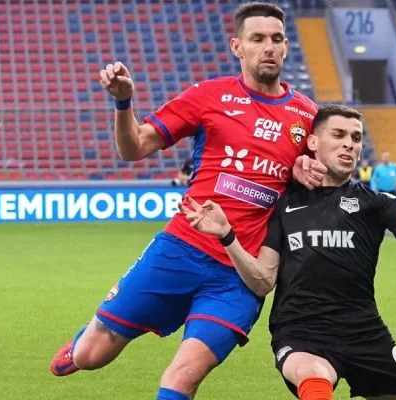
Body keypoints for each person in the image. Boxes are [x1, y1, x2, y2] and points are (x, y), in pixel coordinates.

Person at [49, 4, 327, 399]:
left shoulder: (308, 116)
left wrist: (307, 175)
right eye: (257, 38)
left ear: (285, 47)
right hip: (180, 250)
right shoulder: (209, 95)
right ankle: (82, 346)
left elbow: (324, 187)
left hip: (239, 274)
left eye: (276, 39)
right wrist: (124, 103)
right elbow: (134, 148)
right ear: (237, 46)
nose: (269, 47)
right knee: (93, 355)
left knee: (182, 377)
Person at [180, 104, 396, 400]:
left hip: (365, 333)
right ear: (313, 142)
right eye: (338, 135)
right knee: (314, 376)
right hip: (301, 332)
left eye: (356, 138)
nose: (349, 144)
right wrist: (228, 236)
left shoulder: (374, 202)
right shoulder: (284, 203)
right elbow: (262, 280)